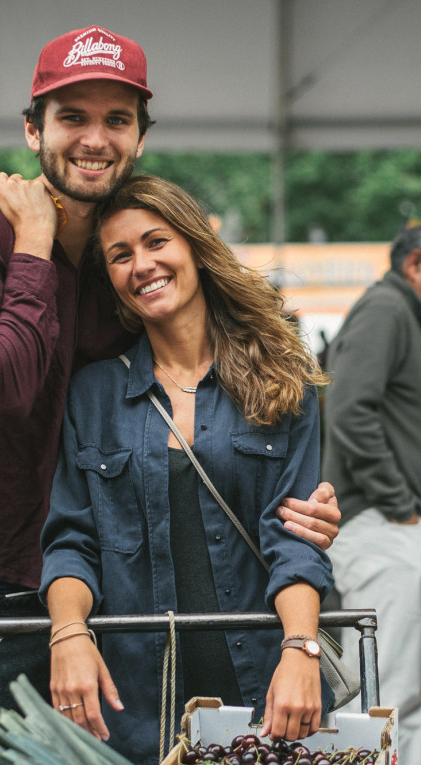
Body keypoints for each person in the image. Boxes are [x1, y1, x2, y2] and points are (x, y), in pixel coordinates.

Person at [0, 25, 340, 748]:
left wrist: (303, 517)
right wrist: (36, 240)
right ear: (33, 128)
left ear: (139, 136)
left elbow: (154, 423)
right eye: (72, 116)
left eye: (116, 119)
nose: (94, 138)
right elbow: (6, 387)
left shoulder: (112, 279)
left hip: (93, 592)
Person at [40, 176, 334, 764]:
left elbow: (297, 539)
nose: (141, 264)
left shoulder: (282, 384)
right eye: (120, 256)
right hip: (135, 703)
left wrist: (300, 650)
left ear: (196, 247)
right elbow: (71, 540)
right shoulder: (91, 395)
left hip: (264, 690)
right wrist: (68, 633)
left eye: (156, 242)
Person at [321, 221, 421, 765]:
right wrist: (399, 504)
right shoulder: (387, 310)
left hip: (387, 527)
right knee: (384, 694)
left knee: (385, 688)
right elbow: (348, 409)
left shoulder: (403, 314)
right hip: (381, 527)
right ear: (416, 264)